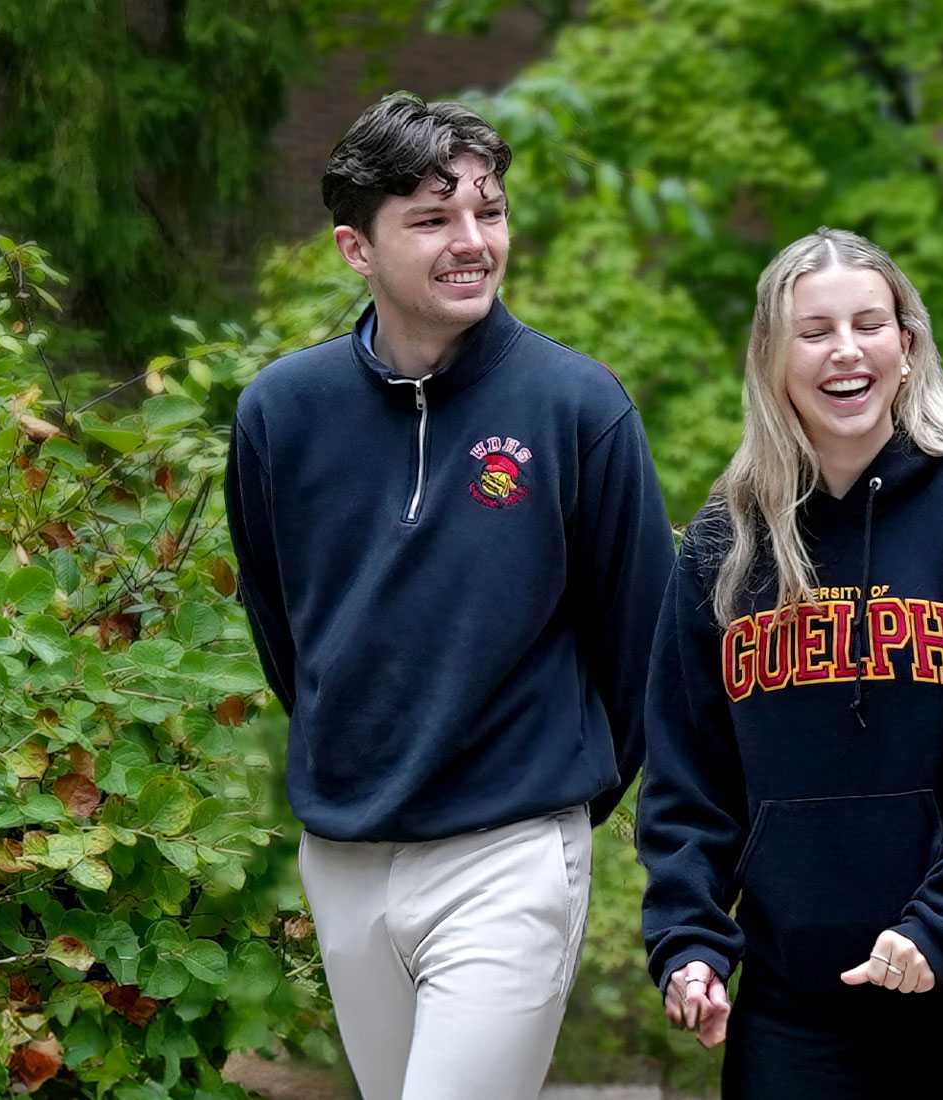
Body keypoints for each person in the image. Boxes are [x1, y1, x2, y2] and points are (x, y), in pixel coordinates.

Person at [224, 92, 671, 1100]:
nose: (473, 241)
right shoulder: (281, 413)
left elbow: (642, 643)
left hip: (509, 849)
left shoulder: (577, 406)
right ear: (357, 247)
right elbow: (285, 629)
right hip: (343, 853)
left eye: (489, 210)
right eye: (433, 219)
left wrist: (552, 798)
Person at [636, 228, 943, 1097]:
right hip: (793, 1000)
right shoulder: (727, 539)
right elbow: (688, 773)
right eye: (815, 329)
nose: (846, 351)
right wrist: (688, 939)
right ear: (771, 357)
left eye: (869, 324)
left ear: (906, 346)